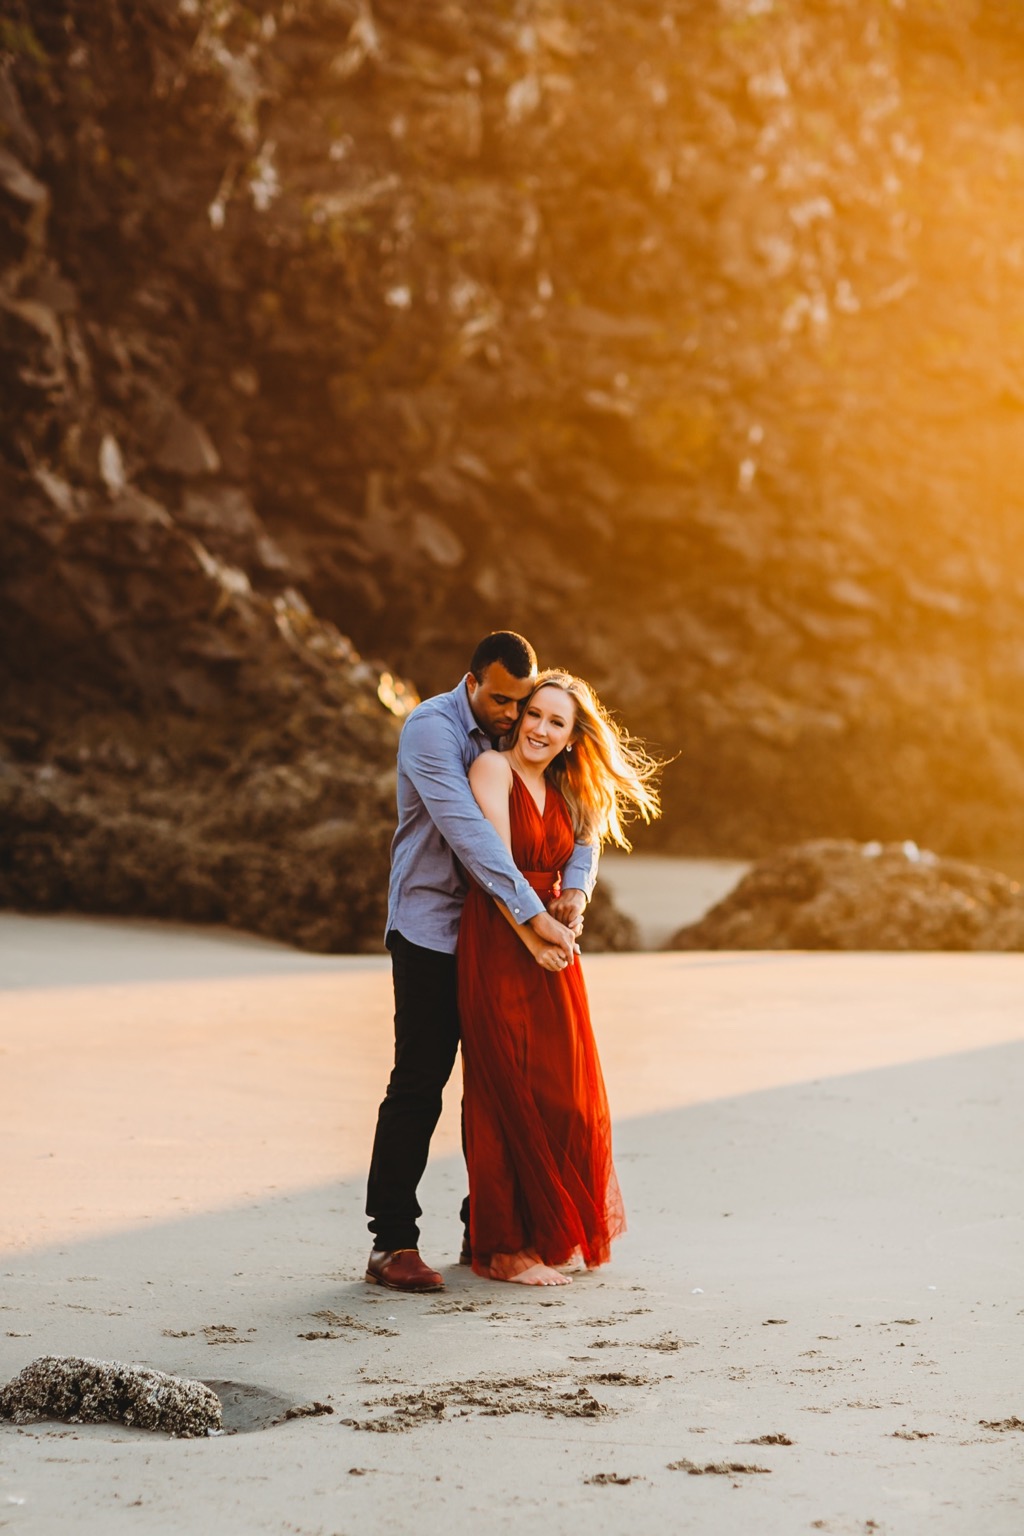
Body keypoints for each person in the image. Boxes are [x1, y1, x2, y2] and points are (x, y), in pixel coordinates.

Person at [365, 633, 599, 1293]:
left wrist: (575, 887)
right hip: (432, 929)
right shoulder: (431, 731)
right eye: (501, 701)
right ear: (472, 682)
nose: (512, 714)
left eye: (522, 704)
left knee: (502, 1087)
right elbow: (472, 840)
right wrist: (534, 922)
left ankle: (487, 1228)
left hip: (499, 934)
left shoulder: (521, 736)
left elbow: (582, 818)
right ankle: (392, 1243)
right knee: (419, 1083)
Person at [458, 669, 661, 1287]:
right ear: (518, 716)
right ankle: (505, 1248)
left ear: (573, 737)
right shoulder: (492, 770)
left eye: (557, 722)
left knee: (564, 1094)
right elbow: (492, 867)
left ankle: (549, 1229)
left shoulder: (567, 788)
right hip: (503, 935)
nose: (540, 729)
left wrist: (575, 895)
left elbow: (586, 843)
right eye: (535, 715)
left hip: (555, 942)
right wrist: (537, 931)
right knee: (502, 1089)